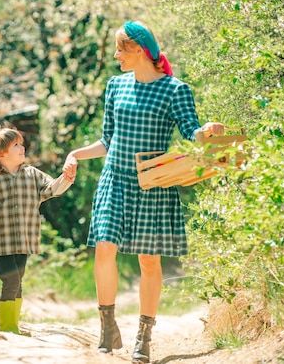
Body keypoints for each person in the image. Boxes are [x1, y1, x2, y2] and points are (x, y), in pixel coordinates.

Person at [63, 21, 224, 363]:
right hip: (115, 180)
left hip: (153, 183)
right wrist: (75, 153)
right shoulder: (115, 86)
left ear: (139, 50)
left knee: (149, 261)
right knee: (104, 247)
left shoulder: (175, 89)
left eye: (121, 49)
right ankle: (107, 326)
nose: (116, 55)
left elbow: (191, 131)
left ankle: (144, 335)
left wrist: (208, 131)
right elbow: (108, 140)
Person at [0, 127, 75, 335]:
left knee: (18, 280)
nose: (23, 147)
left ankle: (14, 325)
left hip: (23, 240)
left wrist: (66, 178)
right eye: (16, 145)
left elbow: (51, 189)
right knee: (10, 280)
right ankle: (5, 326)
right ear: (1, 154)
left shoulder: (33, 174)